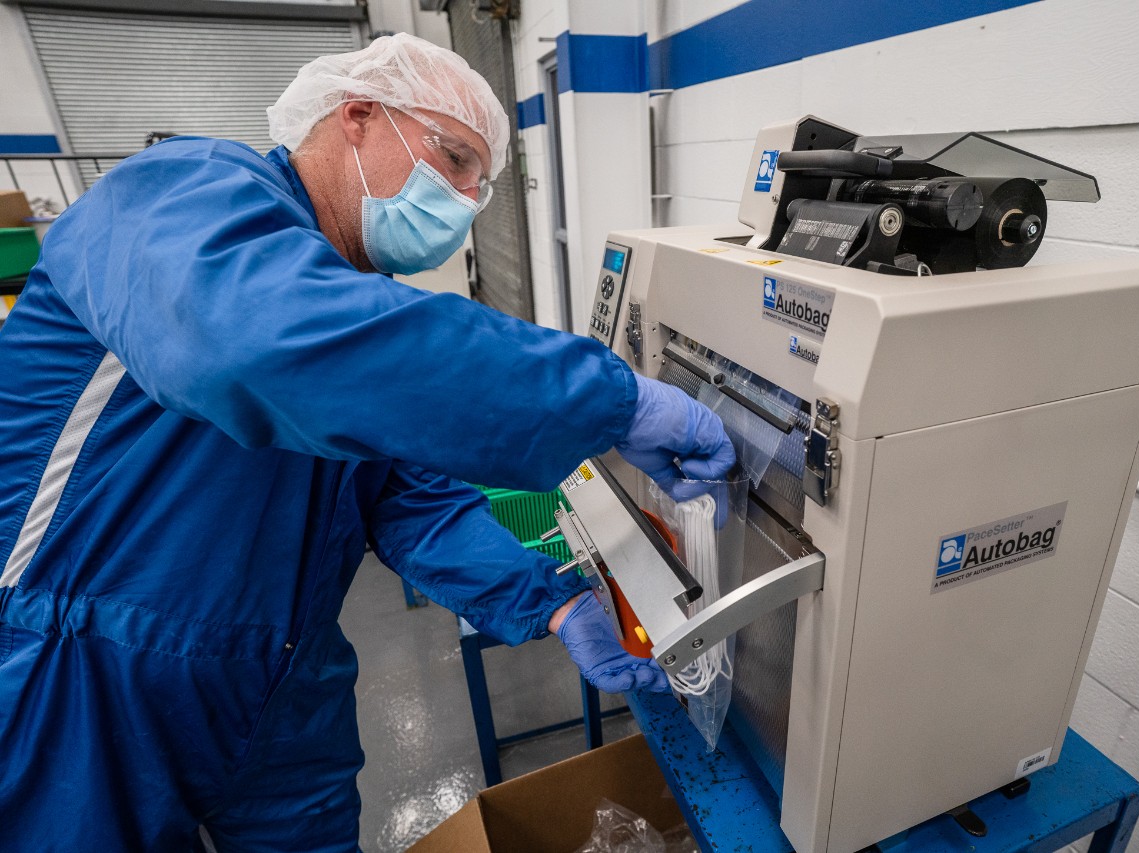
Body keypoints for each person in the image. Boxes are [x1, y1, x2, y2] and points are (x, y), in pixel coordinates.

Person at [0, 33, 734, 851]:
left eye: (481, 183)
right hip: (80, 669)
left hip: (282, 682)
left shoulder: (353, 306)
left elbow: (410, 499)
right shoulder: (179, 193)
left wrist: (550, 601)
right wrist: (613, 400)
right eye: (454, 159)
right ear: (357, 116)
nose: (466, 200)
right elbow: (254, 343)